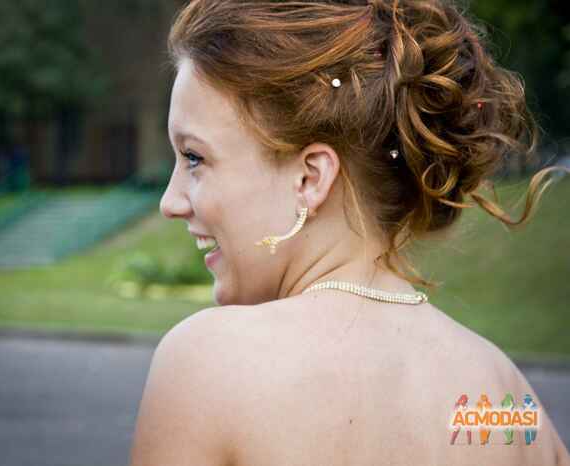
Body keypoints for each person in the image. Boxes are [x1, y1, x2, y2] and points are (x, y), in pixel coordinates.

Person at [128, 1, 570, 465]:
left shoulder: (209, 364)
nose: (170, 202)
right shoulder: (505, 395)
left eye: (194, 158)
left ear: (311, 177)